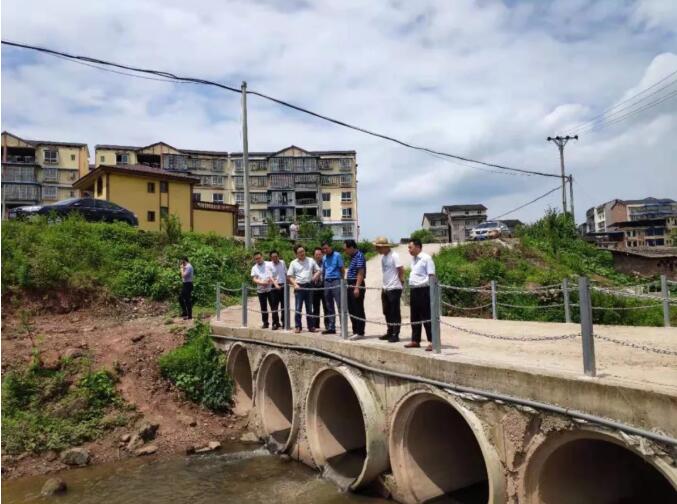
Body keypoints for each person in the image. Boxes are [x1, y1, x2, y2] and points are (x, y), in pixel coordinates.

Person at [405, 238, 436, 351]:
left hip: (424, 290)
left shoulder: (426, 258)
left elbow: (431, 275)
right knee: (414, 316)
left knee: (427, 316)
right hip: (414, 290)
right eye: (408, 247)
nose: (409, 250)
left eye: (410, 247)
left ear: (418, 247)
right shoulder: (414, 259)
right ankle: (415, 340)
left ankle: (433, 341)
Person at [373, 237, 404, 343]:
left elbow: (400, 269)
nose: (377, 249)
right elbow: (385, 272)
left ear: (385, 247)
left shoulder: (394, 256)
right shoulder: (383, 258)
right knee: (386, 311)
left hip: (394, 287)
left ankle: (395, 333)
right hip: (385, 287)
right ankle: (390, 331)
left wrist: (401, 282)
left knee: (395, 311)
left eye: (378, 247)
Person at [287, 245, 320, 333]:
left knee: (309, 308)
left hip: (309, 286)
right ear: (296, 254)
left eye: (303, 251)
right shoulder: (293, 263)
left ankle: (311, 326)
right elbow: (289, 276)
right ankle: (298, 326)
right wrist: (295, 284)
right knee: (298, 308)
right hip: (299, 287)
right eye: (300, 252)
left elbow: (318, 270)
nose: (302, 253)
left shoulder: (311, 260)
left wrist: (314, 277)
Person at [344, 239, 366, 340]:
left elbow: (360, 272)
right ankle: (355, 330)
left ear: (351, 247)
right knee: (351, 309)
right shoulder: (353, 257)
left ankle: (360, 331)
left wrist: (357, 287)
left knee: (358, 309)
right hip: (350, 284)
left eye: (346, 249)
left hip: (356, 284)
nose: (345, 251)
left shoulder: (359, 256)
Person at [321, 241, 344, 335]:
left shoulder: (337, 255)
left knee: (340, 305)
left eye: (326, 248)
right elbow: (323, 270)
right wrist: (323, 281)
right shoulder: (324, 258)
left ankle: (343, 327)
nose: (325, 250)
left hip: (336, 280)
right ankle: (331, 327)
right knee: (329, 305)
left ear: (330, 247)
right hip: (327, 281)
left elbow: (342, 269)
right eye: (323, 249)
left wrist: (342, 282)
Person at [251, 251, 278, 329]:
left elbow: (274, 274)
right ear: (254, 259)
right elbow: (254, 279)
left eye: (259, 258)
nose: (258, 260)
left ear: (262, 257)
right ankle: (265, 323)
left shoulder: (269, 264)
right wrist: (261, 283)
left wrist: (269, 281)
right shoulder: (254, 268)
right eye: (256, 259)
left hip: (270, 289)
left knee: (273, 306)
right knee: (263, 307)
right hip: (261, 290)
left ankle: (275, 323)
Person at [268, 250, 286, 330]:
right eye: (273, 257)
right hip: (274, 287)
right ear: (270, 258)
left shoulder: (283, 263)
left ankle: (284, 322)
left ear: (278, 256)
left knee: (284, 306)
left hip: (283, 286)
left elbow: (285, 273)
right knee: (274, 306)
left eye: (276, 256)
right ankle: (275, 323)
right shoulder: (269, 265)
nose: (275, 258)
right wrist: (276, 285)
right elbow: (271, 277)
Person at [310, 247, 328, 331]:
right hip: (315, 287)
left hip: (324, 286)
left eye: (320, 254)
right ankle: (315, 325)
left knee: (326, 307)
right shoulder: (311, 264)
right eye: (316, 254)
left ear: (322, 255)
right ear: (314, 255)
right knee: (315, 307)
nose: (318, 256)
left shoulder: (326, 263)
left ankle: (328, 325)